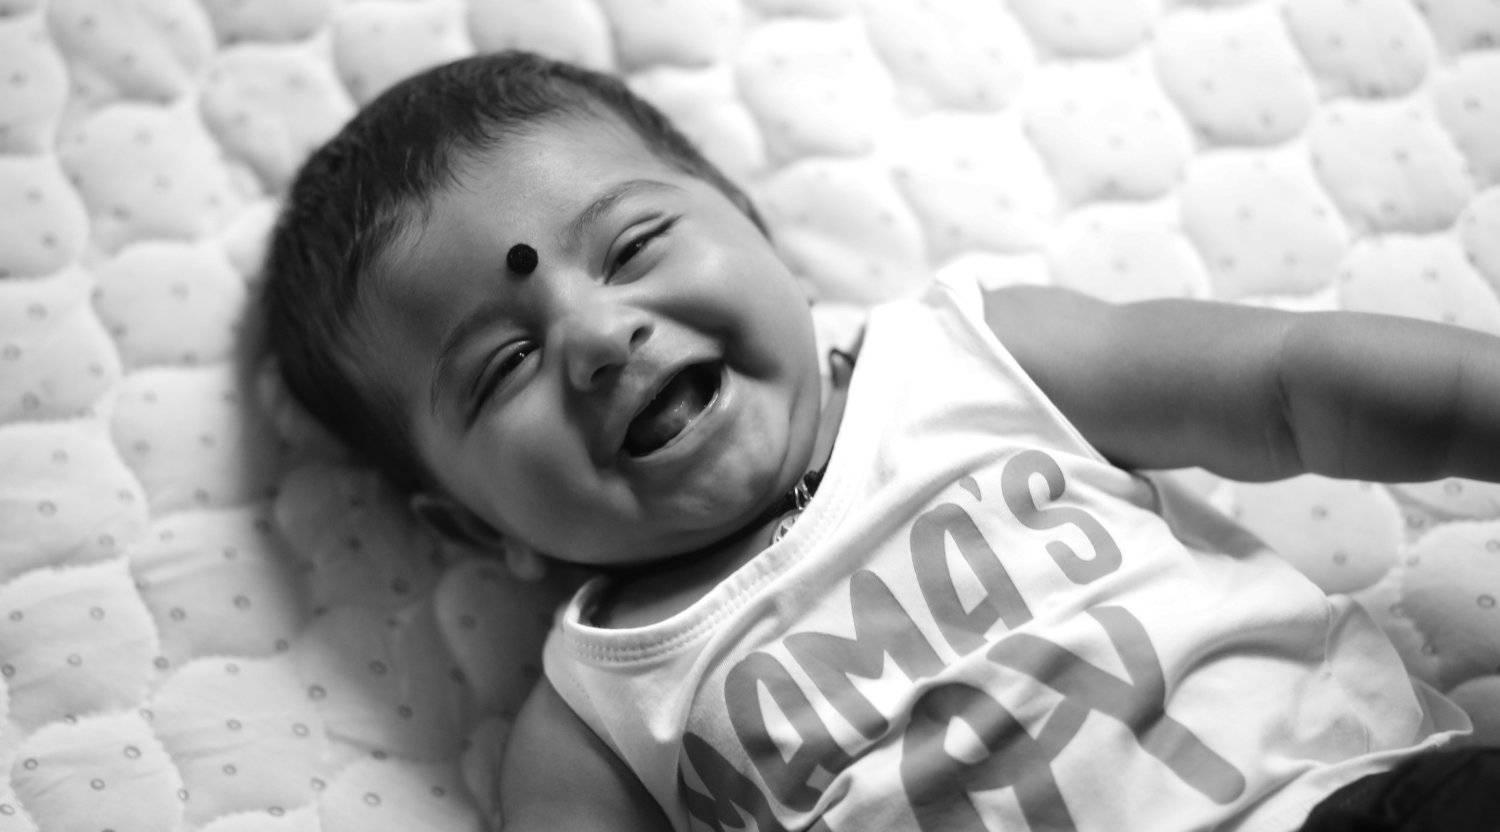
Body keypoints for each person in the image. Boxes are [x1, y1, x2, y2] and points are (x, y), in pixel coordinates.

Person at [262, 51, 1500, 831]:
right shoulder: (593, 719)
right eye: (502, 366)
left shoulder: (972, 355)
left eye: (633, 246)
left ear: (757, 233)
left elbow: (1289, 384)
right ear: (474, 524)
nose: (594, 336)